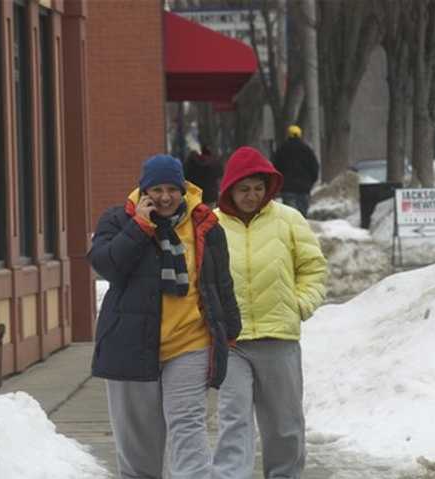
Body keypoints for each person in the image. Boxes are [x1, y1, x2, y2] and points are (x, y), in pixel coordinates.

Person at [87, 154, 241, 479]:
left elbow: (219, 282)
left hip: (189, 343)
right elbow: (106, 265)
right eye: (157, 189)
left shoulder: (205, 225)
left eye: (172, 188)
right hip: (129, 344)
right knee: (138, 445)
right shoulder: (117, 220)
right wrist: (139, 228)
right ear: (144, 191)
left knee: (188, 428)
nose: (166, 197)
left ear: (183, 189)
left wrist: (229, 330)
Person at [212, 146, 328, 479]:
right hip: (232, 342)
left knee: (283, 424)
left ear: (269, 187)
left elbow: (314, 268)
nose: (251, 196)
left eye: (258, 188)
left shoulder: (289, 219)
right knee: (233, 420)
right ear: (230, 188)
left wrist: (301, 304)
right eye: (244, 189)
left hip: (278, 336)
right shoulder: (211, 224)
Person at [272, 125, 319, 217]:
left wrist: (278, 183)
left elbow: (275, 167)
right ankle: (301, 230)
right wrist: (311, 182)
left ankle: (291, 231)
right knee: (302, 216)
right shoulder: (307, 149)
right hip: (304, 188)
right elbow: (314, 167)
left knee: (290, 215)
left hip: (287, 188)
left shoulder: (282, 149)